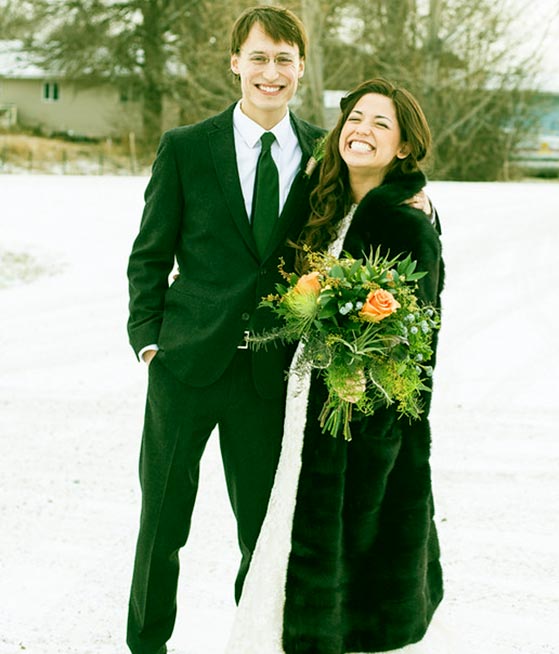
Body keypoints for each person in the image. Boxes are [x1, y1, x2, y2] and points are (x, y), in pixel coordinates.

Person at [125, 7, 326, 654]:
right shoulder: (186, 148)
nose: (272, 73)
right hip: (184, 365)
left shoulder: (325, 154)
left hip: (270, 375)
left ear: (301, 68)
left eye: (284, 60)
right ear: (236, 62)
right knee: (161, 524)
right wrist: (148, 338)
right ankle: (145, 645)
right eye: (259, 58)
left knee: (264, 537)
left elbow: (376, 207)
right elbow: (150, 253)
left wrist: (423, 204)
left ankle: (254, 643)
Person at [226, 78, 445, 654]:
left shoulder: (406, 221)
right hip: (297, 397)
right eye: (355, 118)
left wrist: (361, 390)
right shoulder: (323, 202)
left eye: (380, 124)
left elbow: (415, 339)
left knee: (349, 557)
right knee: (288, 531)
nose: (362, 130)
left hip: (356, 411)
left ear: (403, 147)